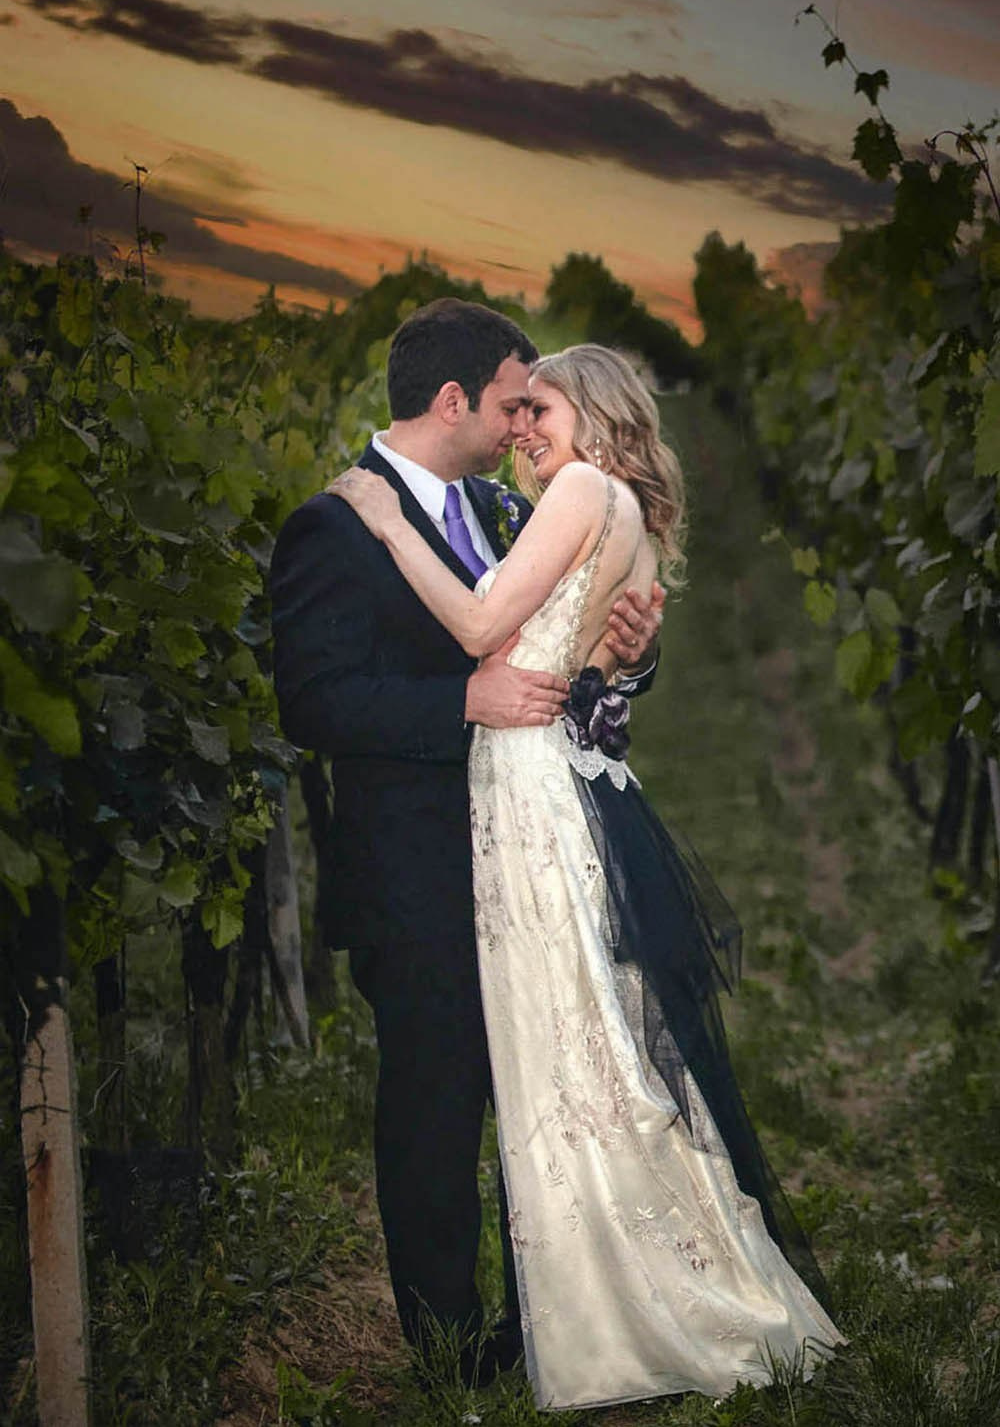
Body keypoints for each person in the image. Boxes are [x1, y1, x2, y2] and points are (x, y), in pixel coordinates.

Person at [330, 342, 846, 1412]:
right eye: (518, 414)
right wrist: (624, 657)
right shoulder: (627, 517)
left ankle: (612, 1309)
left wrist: (382, 521)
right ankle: (623, 1287)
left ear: (595, 412)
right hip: (540, 786)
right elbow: (598, 674)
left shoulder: (575, 490)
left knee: (567, 1052)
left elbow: (480, 627)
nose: (525, 429)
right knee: (586, 1049)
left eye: (543, 408)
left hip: (527, 794)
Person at [269, 301, 663, 1386]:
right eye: (507, 404)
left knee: (539, 1090)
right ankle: (448, 1350)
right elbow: (315, 705)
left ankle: (556, 1317)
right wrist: (464, 701)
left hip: (525, 856)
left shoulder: (503, 507)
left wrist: (627, 658)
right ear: (453, 402)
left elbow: (565, 648)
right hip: (415, 872)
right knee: (437, 1109)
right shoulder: (333, 526)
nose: (520, 426)